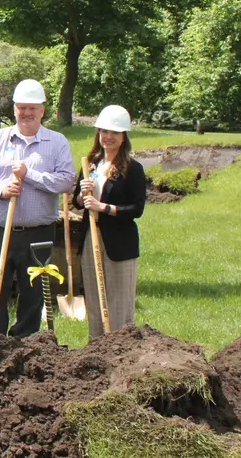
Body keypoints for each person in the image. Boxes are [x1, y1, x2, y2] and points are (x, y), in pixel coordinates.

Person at [0, 79, 74, 336]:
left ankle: (25, 343)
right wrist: (0, 190)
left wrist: (30, 175)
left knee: (33, 292)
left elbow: (66, 181)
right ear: (14, 109)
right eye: (21, 107)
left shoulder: (56, 142)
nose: (26, 113)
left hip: (39, 232)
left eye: (32, 108)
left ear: (42, 110)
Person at [73, 105, 146, 338]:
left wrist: (103, 207)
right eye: (104, 131)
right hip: (90, 239)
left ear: (124, 136)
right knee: (94, 298)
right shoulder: (91, 164)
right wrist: (82, 195)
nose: (108, 137)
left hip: (119, 242)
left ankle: (121, 347)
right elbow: (77, 202)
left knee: (119, 300)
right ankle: (96, 346)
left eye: (114, 132)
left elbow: (136, 209)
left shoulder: (133, 169)